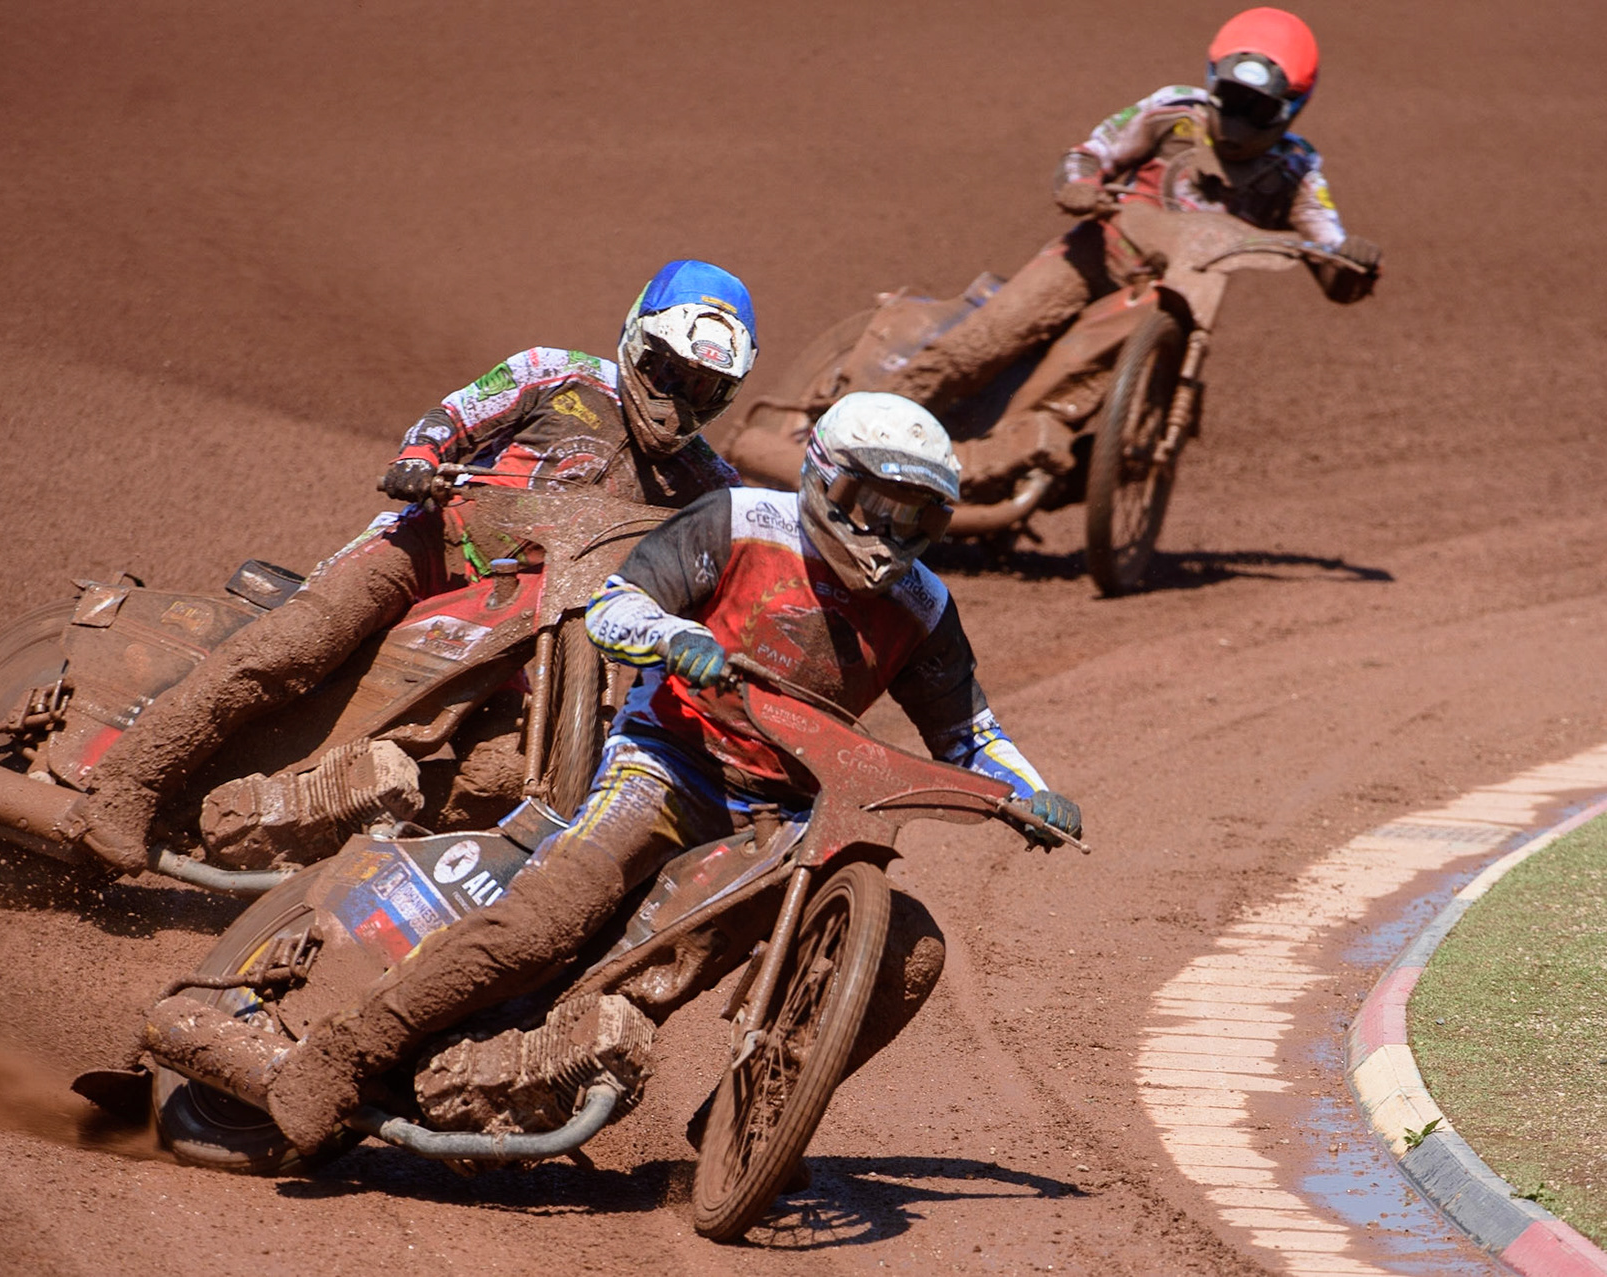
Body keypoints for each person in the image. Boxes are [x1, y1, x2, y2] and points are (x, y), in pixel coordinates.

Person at [267, 391, 1082, 1153]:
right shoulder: (739, 519)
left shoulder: (923, 604)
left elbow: (970, 734)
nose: (892, 536)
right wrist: (670, 635)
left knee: (911, 947)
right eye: (879, 508)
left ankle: (750, 1126)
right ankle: (344, 1051)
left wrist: (1030, 791)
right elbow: (620, 602)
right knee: (547, 921)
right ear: (830, 482)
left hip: (791, 813)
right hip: (667, 760)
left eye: (917, 518)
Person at [77, 260, 758, 872]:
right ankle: (129, 785)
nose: (676, 401)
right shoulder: (557, 373)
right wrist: (421, 459)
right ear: (636, 343)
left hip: (536, 629)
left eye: (703, 387)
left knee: (504, 770)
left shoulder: (710, 486)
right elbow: (456, 414)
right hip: (433, 548)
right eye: (669, 373)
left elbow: (752, 560)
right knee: (294, 646)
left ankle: (353, 858)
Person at [861, 6, 1382, 499]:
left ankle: (1018, 473)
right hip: (1093, 258)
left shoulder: (1296, 169)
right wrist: (1080, 185)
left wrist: (1352, 262)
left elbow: (1328, 249)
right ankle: (856, 435)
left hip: (1176, 299)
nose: (1240, 120)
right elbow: (1092, 152)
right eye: (1232, 98)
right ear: (1212, 82)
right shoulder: (1175, 110)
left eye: (1259, 108)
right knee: (979, 347)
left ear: (1290, 109)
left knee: (1115, 429)